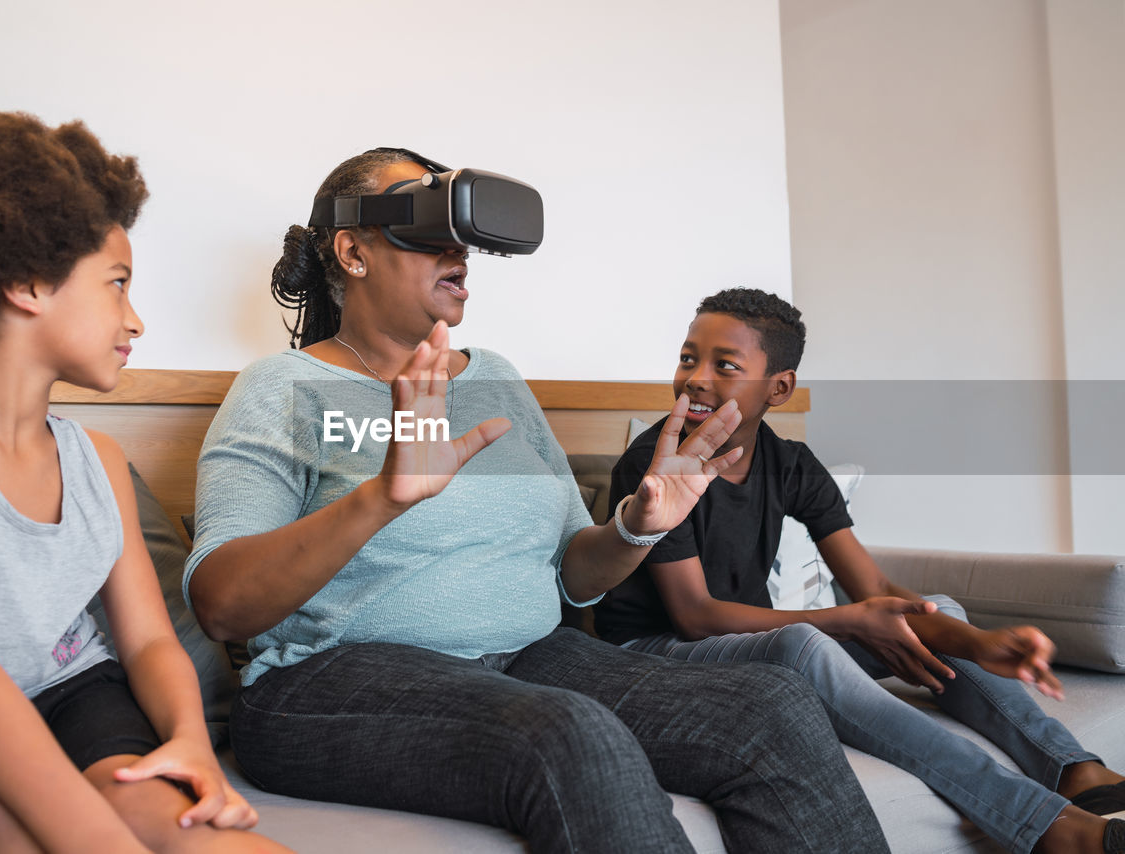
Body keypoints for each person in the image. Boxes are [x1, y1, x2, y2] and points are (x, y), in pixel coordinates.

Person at [183, 147, 891, 853]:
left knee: (774, 706)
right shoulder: (281, 388)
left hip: (526, 655)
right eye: (429, 228)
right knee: (570, 732)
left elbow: (573, 575)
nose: (458, 250)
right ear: (352, 251)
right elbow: (221, 603)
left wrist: (637, 526)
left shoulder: (495, 379)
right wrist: (381, 498)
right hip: (329, 679)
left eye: (462, 234)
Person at [0, 113, 285, 854]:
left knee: (174, 826)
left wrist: (189, 745)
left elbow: (146, 640)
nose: (135, 319)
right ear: (27, 284)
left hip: (75, 695)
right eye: (117, 285)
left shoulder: (101, 460)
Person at [593, 286, 1125, 854]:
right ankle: (1039, 824)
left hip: (743, 640)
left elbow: (872, 589)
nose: (696, 377)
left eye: (724, 365)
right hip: (651, 652)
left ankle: (1073, 770)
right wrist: (847, 620)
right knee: (800, 643)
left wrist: (978, 641)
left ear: (780, 386)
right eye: (687, 358)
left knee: (935, 609)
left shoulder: (789, 463)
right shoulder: (652, 467)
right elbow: (695, 617)